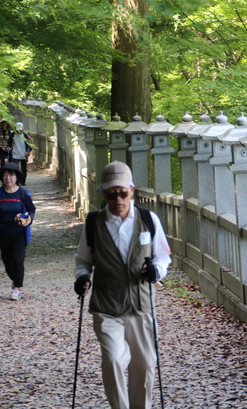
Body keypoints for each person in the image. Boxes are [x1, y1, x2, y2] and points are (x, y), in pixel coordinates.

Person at [73, 161, 171, 409]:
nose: (118, 199)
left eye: (122, 193)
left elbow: (163, 257)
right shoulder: (94, 223)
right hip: (107, 305)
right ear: (103, 194)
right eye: (111, 194)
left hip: (141, 304)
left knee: (146, 364)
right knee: (115, 359)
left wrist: (155, 271)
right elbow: (83, 261)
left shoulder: (148, 219)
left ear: (132, 190)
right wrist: (82, 277)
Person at [0, 162, 36, 301]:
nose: (8, 178)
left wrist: (29, 219)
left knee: (18, 261)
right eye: (5, 175)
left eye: (11, 175)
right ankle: (15, 280)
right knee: (7, 262)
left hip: (19, 232)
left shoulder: (23, 193)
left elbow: (32, 209)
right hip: (3, 233)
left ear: (17, 177)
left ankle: (16, 288)